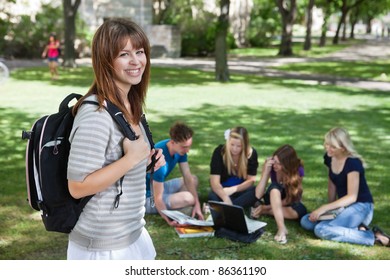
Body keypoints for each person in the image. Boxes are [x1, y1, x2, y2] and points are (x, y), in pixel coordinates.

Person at [66, 18, 165, 260]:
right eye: (124, 54)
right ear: (105, 60)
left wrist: (146, 161)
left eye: (139, 52)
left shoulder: (130, 104)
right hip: (102, 247)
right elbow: (77, 187)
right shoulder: (96, 114)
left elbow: (119, 165)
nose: (136, 61)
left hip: (132, 234)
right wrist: (131, 160)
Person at [300, 127, 389, 247]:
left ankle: (372, 237)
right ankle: (357, 227)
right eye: (326, 144)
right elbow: (332, 181)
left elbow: (352, 197)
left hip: (361, 207)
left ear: (342, 148)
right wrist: (328, 209)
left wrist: (324, 207)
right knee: (307, 221)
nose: (327, 148)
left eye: (332, 146)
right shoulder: (329, 157)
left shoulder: (353, 163)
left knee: (321, 229)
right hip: (343, 206)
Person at [145, 121, 204, 226]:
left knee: (193, 179)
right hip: (147, 197)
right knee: (189, 197)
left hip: (159, 188)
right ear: (172, 142)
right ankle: (182, 208)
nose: (188, 151)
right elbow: (157, 198)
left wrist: (197, 204)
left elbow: (187, 176)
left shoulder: (179, 150)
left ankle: (183, 207)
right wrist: (169, 220)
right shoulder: (159, 160)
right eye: (184, 147)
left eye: (188, 146)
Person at [251, 144, 307, 244]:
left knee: (300, 212)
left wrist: (266, 208)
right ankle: (281, 228)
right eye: (274, 161)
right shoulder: (271, 167)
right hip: (273, 196)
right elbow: (258, 195)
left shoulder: (298, 170)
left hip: (288, 200)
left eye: (279, 163)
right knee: (274, 188)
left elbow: (291, 198)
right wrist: (265, 172)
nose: (275, 165)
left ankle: (264, 210)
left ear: (287, 164)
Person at [208, 127, 258, 208]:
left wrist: (233, 190)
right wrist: (225, 198)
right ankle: (234, 206)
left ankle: (225, 207)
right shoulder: (220, 152)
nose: (234, 149)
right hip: (223, 189)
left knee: (255, 191)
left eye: (239, 146)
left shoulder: (251, 154)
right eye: (232, 145)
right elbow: (214, 182)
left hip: (241, 189)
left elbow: (251, 180)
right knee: (213, 195)